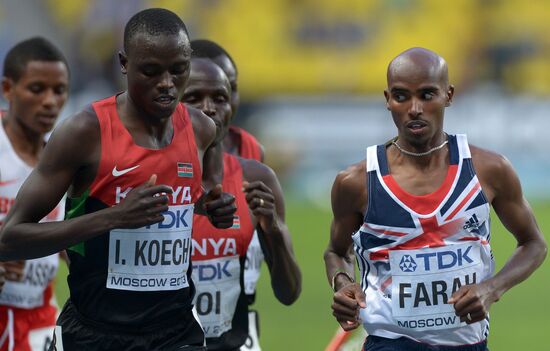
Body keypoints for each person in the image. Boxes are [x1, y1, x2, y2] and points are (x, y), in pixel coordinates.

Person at [0, 8, 236, 351]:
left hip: (176, 332)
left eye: (178, 70)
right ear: (124, 63)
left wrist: (208, 208)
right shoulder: (85, 132)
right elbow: (11, 238)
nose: (167, 84)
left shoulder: (202, 129)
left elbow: (182, 200)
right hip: (95, 334)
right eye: (151, 72)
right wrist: (114, 217)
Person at [324, 47, 547, 351]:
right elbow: (336, 252)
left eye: (427, 95)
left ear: (449, 95)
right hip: (388, 345)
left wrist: (491, 289)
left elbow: (534, 243)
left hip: (468, 345)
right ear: (388, 99)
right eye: (401, 96)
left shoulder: (488, 170)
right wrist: (342, 284)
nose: (414, 108)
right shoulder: (357, 182)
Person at [182, 58, 301, 350]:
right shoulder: (152, 178)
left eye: (219, 98)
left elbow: (289, 292)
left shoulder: (256, 178)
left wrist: (271, 229)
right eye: (194, 98)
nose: (209, 108)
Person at [0, 37, 69, 351]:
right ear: (7, 89)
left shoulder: (66, 159)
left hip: (39, 321)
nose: (50, 102)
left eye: (59, 91)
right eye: (37, 89)